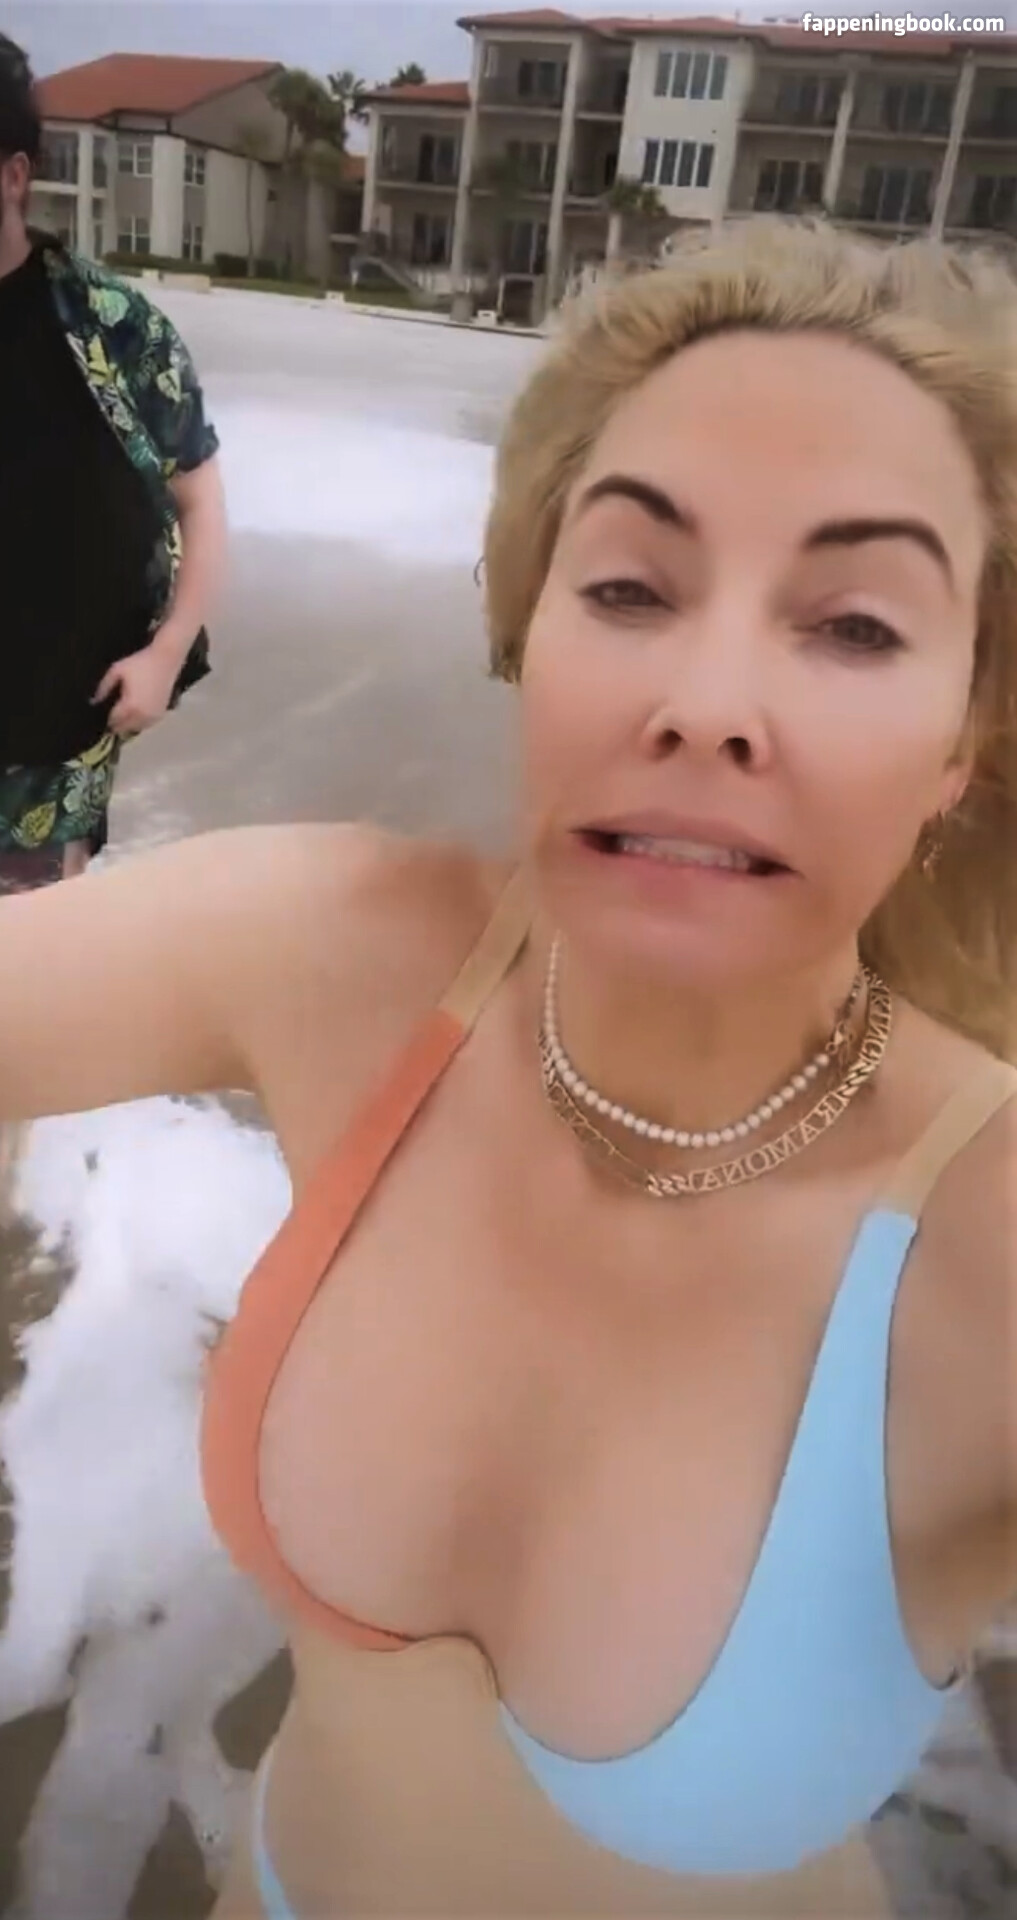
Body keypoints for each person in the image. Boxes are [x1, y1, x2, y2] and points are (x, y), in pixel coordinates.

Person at [1, 217, 1015, 1919]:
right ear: (526, 632)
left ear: (962, 745)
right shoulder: (343, 959)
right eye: (628, 587)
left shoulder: (983, 1241)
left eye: (852, 625)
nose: (706, 701)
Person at [0, 35, 225, 894]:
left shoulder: (112, 327)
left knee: (30, 970)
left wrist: (166, 653)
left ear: (15, 175)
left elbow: (200, 500)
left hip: (49, 756)